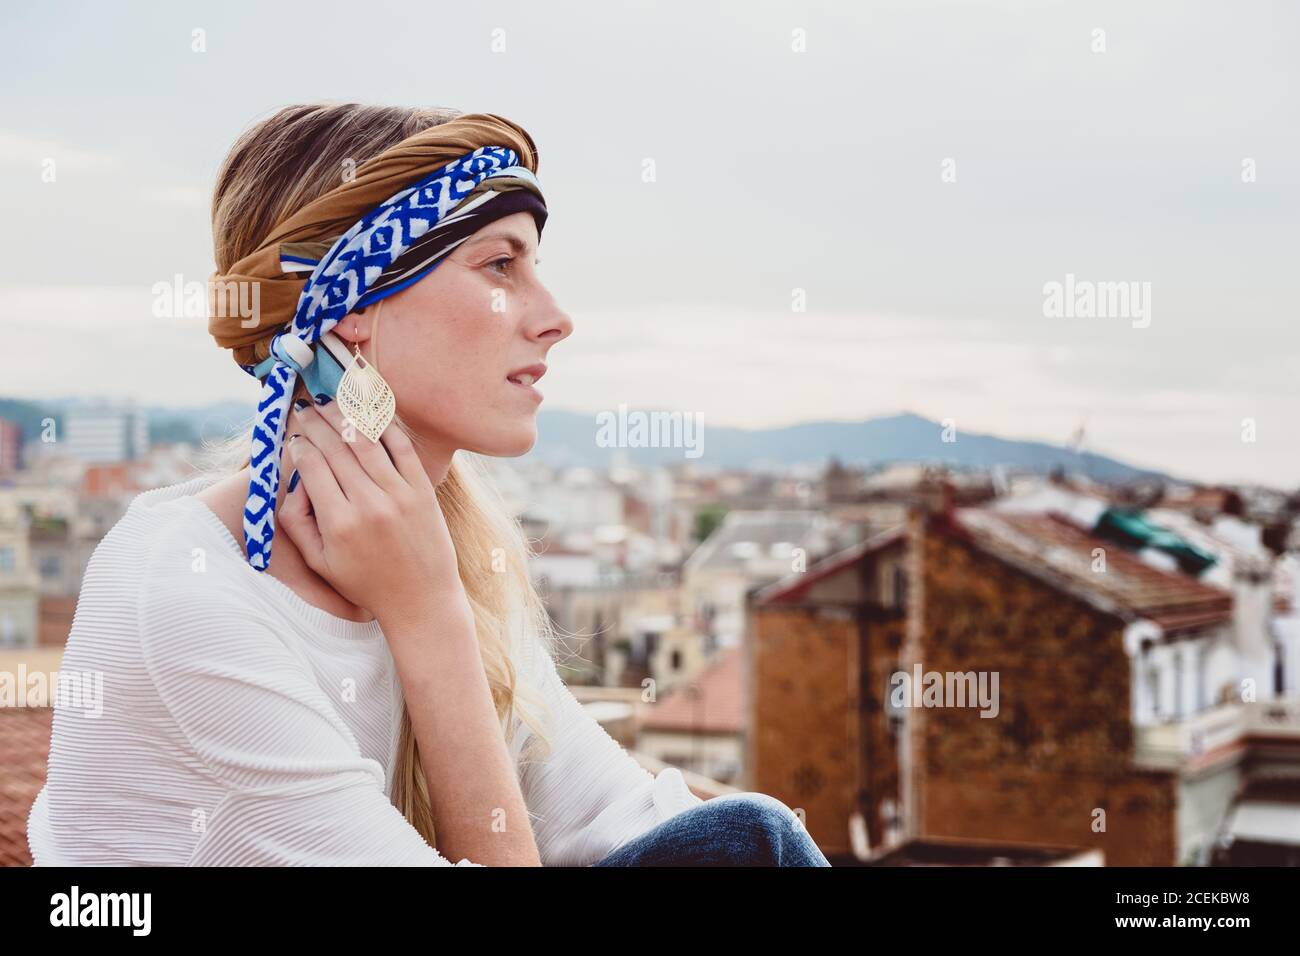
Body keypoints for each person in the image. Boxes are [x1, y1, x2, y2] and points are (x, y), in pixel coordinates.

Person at [28, 103, 830, 868]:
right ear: (346, 312)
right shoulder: (190, 595)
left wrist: (437, 595)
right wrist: (429, 616)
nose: (555, 317)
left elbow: (615, 817)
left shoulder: (448, 537)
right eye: (500, 266)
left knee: (748, 839)